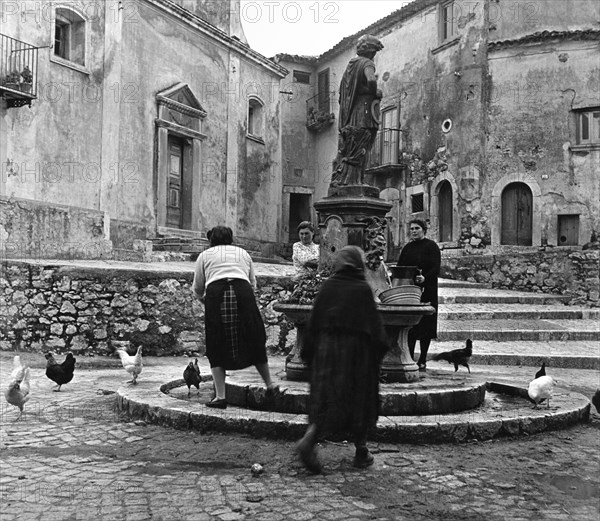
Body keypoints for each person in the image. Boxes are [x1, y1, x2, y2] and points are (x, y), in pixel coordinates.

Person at [296, 246, 389, 473]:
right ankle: (361, 451)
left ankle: (310, 438)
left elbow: (314, 322)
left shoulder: (328, 287)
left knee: (326, 400)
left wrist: (309, 354)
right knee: (359, 400)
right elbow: (376, 329)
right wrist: (379, 354)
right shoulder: (361, 289)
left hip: (326, 353)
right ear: (359, 265)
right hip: (357, 355)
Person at [192, 226, 278, 408]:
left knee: (216, 342)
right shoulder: (243, 253)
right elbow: (252, 283)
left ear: (211, 240)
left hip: (216, 296)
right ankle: (270, 385)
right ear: (231, 239)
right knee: (254, 337)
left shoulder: (205, 256)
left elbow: (198, 288)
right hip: (242, 293)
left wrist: (204, 301)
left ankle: (220, 397)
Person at [330, 35, 384, 190]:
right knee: (362, 147)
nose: (374, 55)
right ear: (371, 51)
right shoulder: (367, 63)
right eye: (375, 52)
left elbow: (344, 93)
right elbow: (371, 80)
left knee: (352, 147)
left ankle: (348, 181)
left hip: (352, 116)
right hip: (365, 114)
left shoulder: (350, 66)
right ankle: (356, 182)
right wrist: (374, 92)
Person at [397, 219, 441, 371]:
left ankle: (422, 359)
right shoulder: (408, 248)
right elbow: (400, 266)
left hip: (427, 291)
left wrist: (425, 278)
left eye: (417, 228)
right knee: (411, 325)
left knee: (426, 326)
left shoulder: (432, 247)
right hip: (410, 290)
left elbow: (436, 267)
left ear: (424, 230)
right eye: (412, 229)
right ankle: (409, 357)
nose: (414, 231)